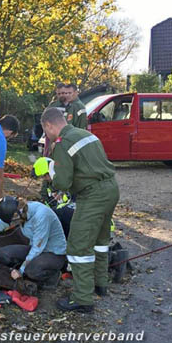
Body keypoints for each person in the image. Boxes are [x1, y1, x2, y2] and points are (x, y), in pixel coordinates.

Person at [40, 107, 119, 313]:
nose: (46, 136)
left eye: (45, 131)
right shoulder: (86, 134)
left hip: (93, 195)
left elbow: (64, 181)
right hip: (111, 188)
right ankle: (100, 283)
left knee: (78, 247)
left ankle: (83, 298)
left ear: (49, 125)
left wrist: (54, 180)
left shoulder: (63, 143)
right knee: (100, 241)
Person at [0, 196, 67, 289]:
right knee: (1, 254)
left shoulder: (41, 216)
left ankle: (53, 275)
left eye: (13, 221)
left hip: (54, 253)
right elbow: (2, 224)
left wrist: (21, 270)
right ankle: (26, 268)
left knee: (31, 271)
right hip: (35, 249)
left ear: (17, 215)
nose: (12, 224)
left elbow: (37, 248)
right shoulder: (19, 212)